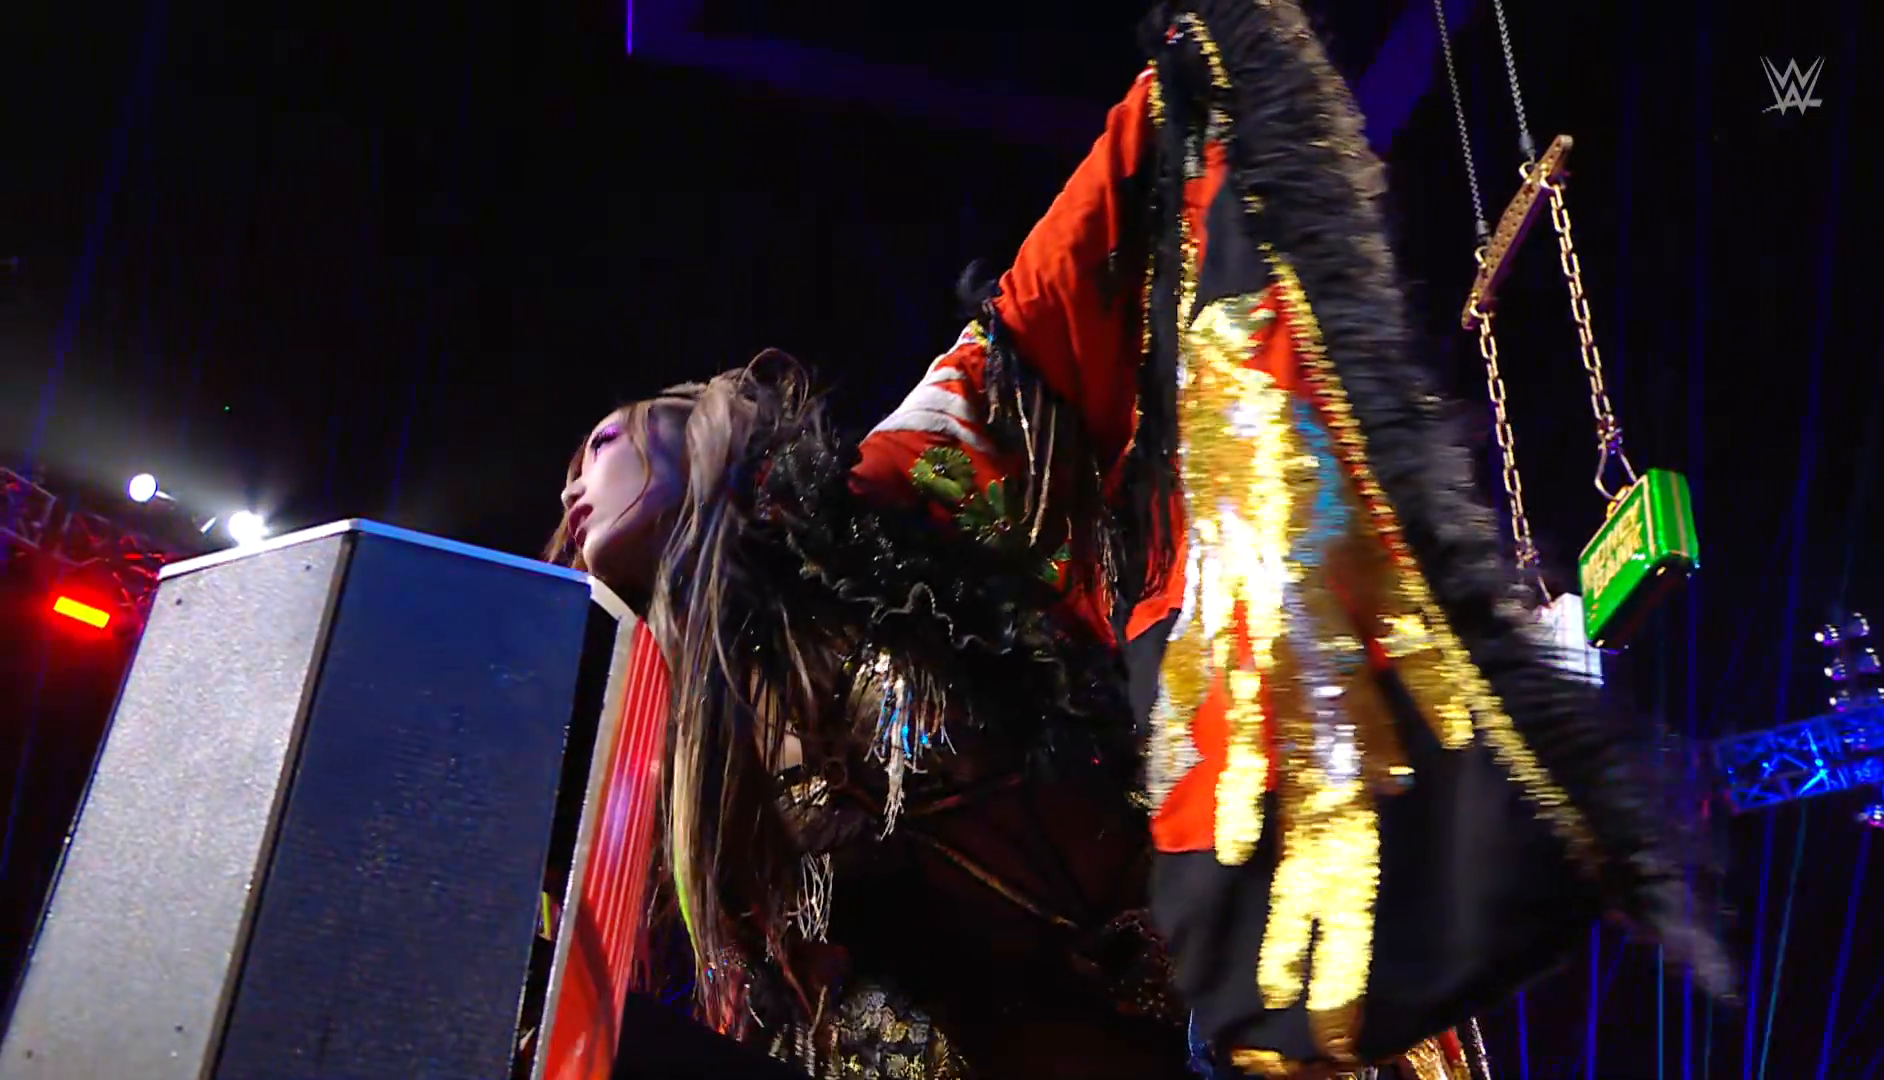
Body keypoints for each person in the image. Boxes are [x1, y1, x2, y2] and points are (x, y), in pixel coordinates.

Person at [549, 0, 1732, 1076]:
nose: (571, 491)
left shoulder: (893, 492)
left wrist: (1214, 54)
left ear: (698, 436)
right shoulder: (684, 797)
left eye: (594, 447)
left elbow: (1075, 269)